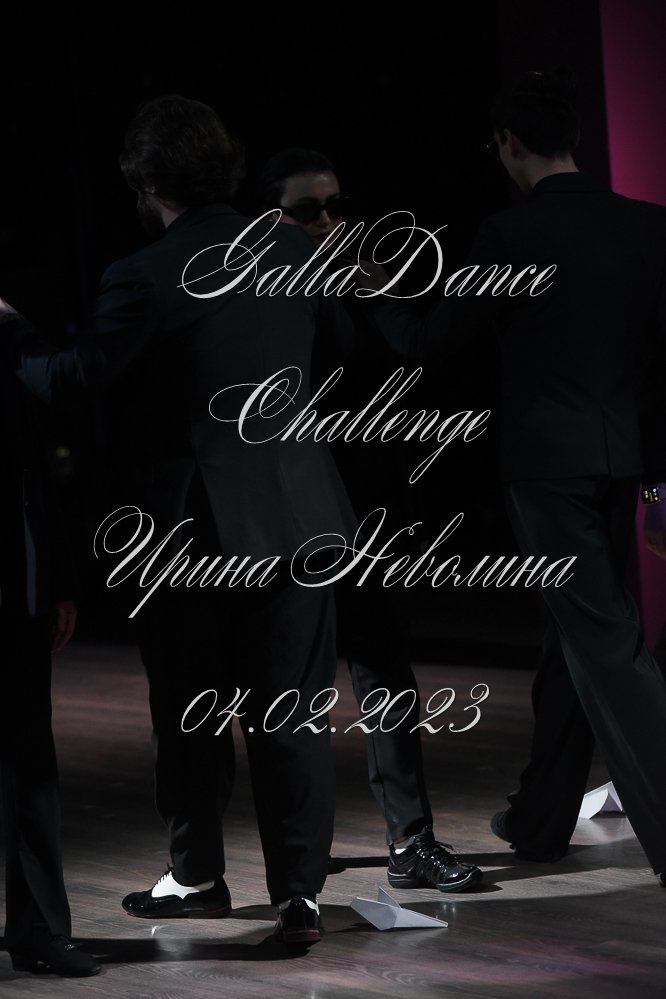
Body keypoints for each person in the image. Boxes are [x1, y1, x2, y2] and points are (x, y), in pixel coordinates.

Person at [0, 94, 361, 945]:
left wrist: (10, 333)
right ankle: (300, 895)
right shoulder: (295, 248)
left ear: (147, 182)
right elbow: (342, 353)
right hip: (302, 514)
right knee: (293, 712)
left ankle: (196, 874)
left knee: (189, 709)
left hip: (195, 530)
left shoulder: (147, 272)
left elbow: (76, 377)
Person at [359, 67, 666, 884]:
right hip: (623, 464)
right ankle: (540, 818)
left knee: (603, 644)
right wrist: (658, 484)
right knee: (576, 639)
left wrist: (380, 295)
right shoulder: (650, 226)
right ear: (575, 137)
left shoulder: (511, 234)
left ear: (507, 143)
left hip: (545, 471)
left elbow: (429, 343)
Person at [256, 147, 482, 892]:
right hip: (289, 514)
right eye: (308, 210)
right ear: (269, 218)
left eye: (336, 206)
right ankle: (299, 846)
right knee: (294, 682)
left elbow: (414, 367)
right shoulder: (253, 297)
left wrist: (381, 296)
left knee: (385, 666)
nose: (329, 221)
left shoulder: (363, 287)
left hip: (367, 507)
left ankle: (411, 841)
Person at [0, 345, 101, 976]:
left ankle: (38, 928)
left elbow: (36, 473)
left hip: (18, 591)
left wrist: (59, 579)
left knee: (31, 763)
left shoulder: (13, 357)